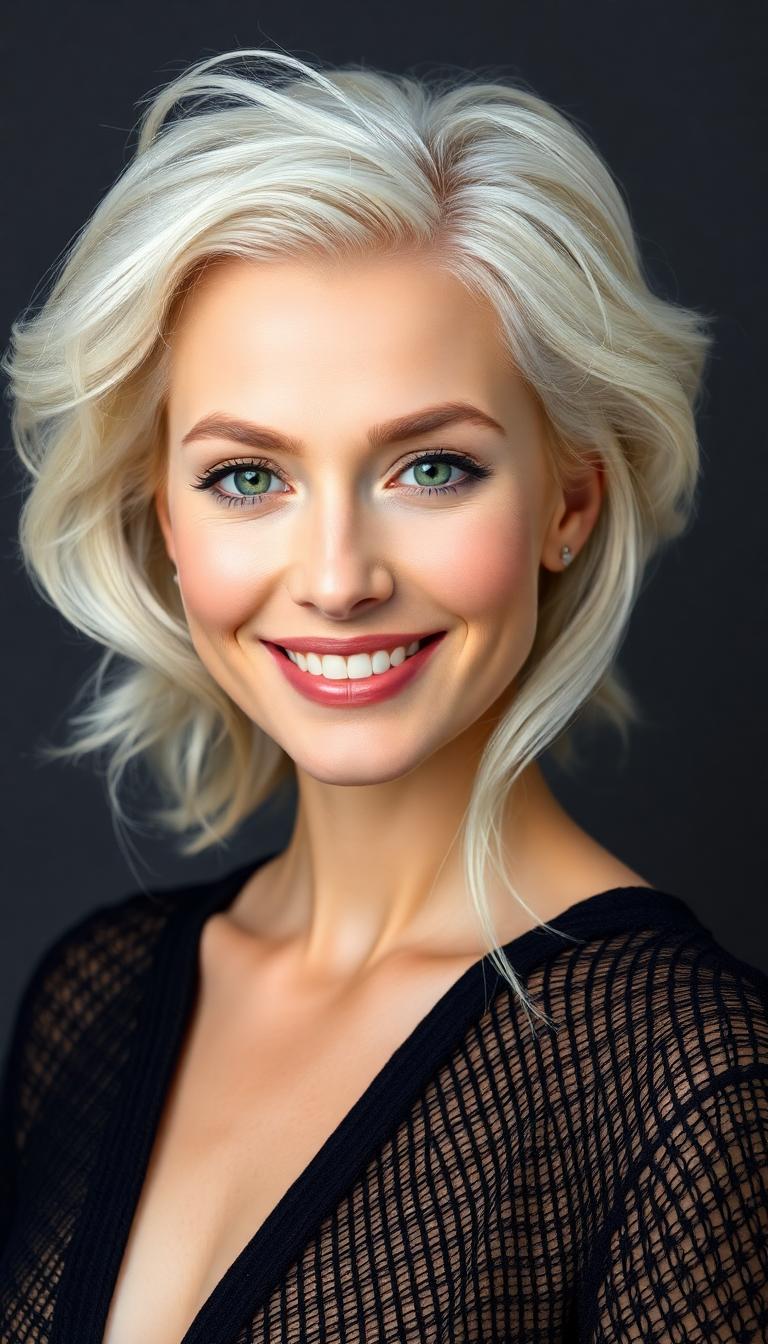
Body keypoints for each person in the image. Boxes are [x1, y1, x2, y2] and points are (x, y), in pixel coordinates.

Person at [1, 47, 766, 1344]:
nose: (340, 578)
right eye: (249, 476)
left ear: (568, 500)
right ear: (161, 519)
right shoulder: (96, 996)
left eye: (431, 467)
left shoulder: (695, 1084)